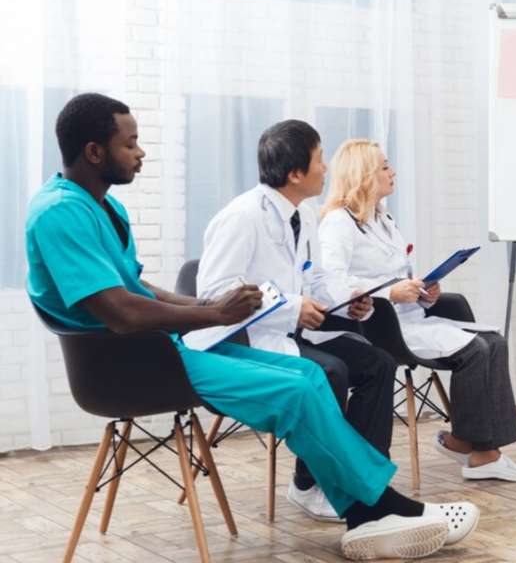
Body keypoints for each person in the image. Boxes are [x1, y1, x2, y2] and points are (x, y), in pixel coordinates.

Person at [26, 93, 478, 559]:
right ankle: (377, 508)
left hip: (157, 349)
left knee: (307, 375)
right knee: (302, 389)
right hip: (128, 366)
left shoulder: (106, 209)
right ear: (94, 152)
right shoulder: (60, 212)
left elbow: (137, 287)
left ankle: (364, 510)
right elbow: (120, 310)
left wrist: (208, 306)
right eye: (131, 144)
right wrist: (214, 313)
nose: (141, 153)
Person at [197, 120, 397, 523]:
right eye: (320, 160)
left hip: (289, 330)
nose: (327, 170)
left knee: (379, 363)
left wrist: (351, 302)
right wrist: (291, 306)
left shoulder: (303, 215)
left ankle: (364, 481)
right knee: (331, 372)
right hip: (247, 339)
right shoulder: (242, 216)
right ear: (295, 174)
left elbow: (316, 279)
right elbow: (215, 291)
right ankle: (309, 483)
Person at [315, 139, 516, 483]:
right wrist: (391, 292)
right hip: (379, 329)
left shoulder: (383, 217)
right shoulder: (338, 223)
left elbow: (396, 275)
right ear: (363, 175)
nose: (393, 171)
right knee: (476, 350)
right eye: (385, 166)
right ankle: (478, 452)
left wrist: (423, 291)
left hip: (410, 318)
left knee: (494, 341)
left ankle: (471, 444)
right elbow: (332, 281)